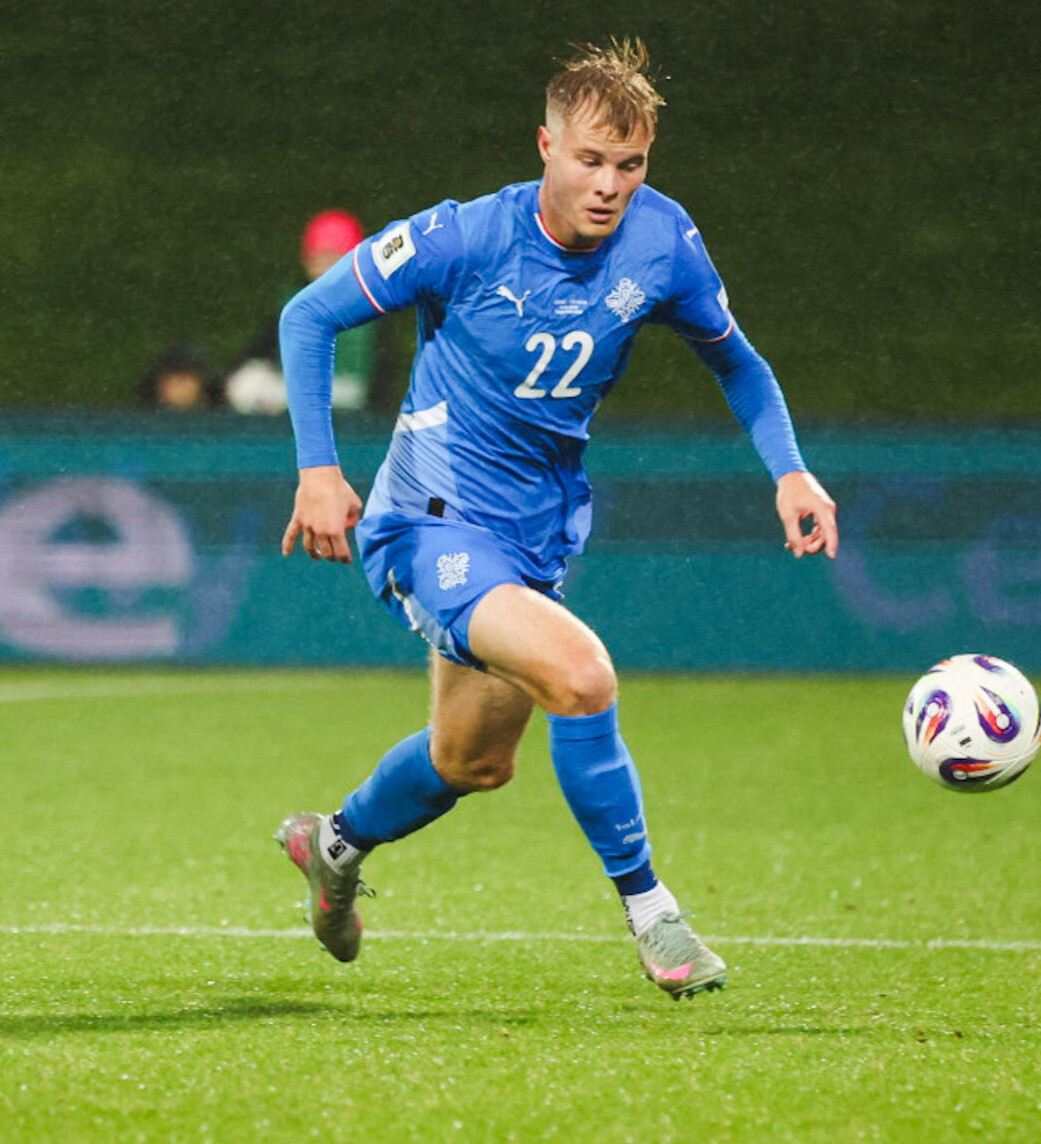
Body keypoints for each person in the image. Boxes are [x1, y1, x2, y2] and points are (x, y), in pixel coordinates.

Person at [270, 40, 838, 999]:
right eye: (589, 160)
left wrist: (789, 471)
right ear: (545, 147)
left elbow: (736, 361)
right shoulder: (461, 238)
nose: (609, 185)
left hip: (534, 533)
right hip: (430, 520)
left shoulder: (662, 242)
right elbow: (307, 317)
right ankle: (654, 915)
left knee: (471, 761)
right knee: (581, 676)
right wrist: (318, 472)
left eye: (630, 164)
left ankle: (333, 845)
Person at [224, 209, 392, 415]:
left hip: (351, 406)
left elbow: (381, 384)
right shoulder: (293, 308)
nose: (324, 269)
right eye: (317, 260)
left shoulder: (373, 314)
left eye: (332, 259)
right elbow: (257, 357)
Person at [139, 339, 224, 411]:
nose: (178, 388)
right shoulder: (143, 418)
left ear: (202, 383)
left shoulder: (221, 416)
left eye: (183, 379)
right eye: (170, 381)